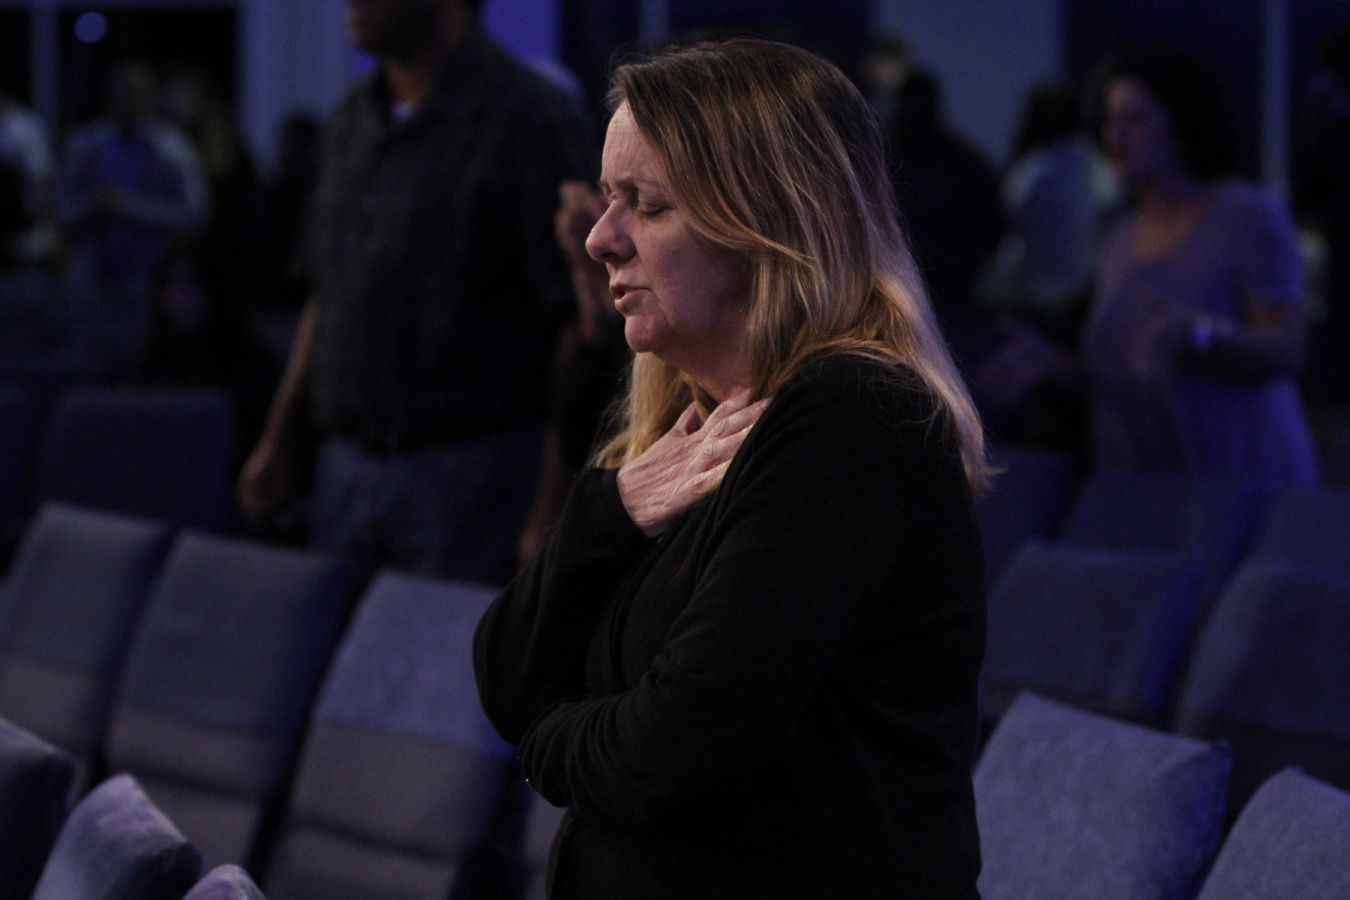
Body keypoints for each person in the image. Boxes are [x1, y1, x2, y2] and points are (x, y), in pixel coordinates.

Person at [474, 39, 989, 899]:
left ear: (768, 223)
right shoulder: (694, 428)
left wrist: (543, 741)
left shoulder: (853, 416)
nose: (601, 240)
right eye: (607, 199)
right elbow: (505, 674)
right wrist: (613, 508)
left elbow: (671, 753)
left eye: (647, 205)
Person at [236, 0, 594, 583]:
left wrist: (553, 505)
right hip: (345, 468)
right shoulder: (352, 117)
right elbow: (328, 293)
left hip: (476, 479)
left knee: (441, 641)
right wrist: (280, 440)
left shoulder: (530, 119)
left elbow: (580, 322)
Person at [1081, 51, 1318, 491]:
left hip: (1240, 480)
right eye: (1110, 121)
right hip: (1145, 485)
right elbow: (1120, 364)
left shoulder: (1246, 214)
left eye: (1134, 120)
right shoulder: (1120, 235)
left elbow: (1287, 348)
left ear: (1180, 124)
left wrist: (1200, 334)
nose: (1115, 137)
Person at [57, 61, 209, 369]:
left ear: (149, 97)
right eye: (120, 94)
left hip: (151, 284)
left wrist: (130, 208)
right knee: (92, 366)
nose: (126, 102)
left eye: (134, 94)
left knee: (144, 362)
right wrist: (92, 207)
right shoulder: (88, 145)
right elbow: (61, 210)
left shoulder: (173, 148)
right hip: (95, 285)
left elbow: (196, 212)